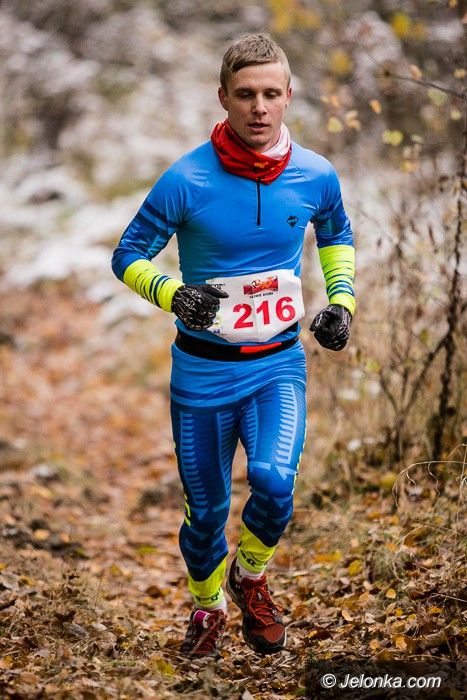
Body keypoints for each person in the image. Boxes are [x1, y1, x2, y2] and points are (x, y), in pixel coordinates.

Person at [111, 33, 355, 659]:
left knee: (274, 483)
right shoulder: (186, 178)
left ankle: (250, 577)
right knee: (206, 511)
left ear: (289, 96)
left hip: (278, 366)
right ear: (223, 97)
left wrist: (342, 301)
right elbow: (127, 255)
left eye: (271, 94)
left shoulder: (316, 173)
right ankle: (207, 606)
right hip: (202, 374)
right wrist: (172, 294)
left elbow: (336, 233)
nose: (259, 107)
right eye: (246, 94)